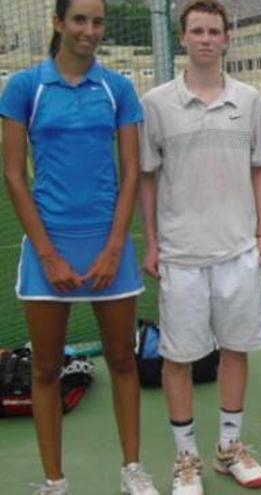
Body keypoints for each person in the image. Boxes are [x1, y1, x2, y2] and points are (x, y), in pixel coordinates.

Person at [0, 0, 159, 494]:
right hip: (48, 250)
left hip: (109, 245)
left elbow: (131, 172)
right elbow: (12, 174)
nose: (90, 30)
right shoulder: (26, 86)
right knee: (46, 369)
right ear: (58, 23)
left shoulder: (118, 88)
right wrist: (47, 254)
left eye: (97, 21)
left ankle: (132, 471)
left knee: (123, 361)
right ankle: (55, 482)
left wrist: (115, 247)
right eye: (80, 20)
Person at [139, 1, 261, 492]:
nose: (204, 38)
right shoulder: (156, 103)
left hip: (238, 252)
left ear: (226, 38)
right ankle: (186, 459)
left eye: (213, 31)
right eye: (196, 30)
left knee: (236, 349)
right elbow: (148, 180)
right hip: (181, 256)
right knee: (179, 358)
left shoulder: (251, 100)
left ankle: (229, 448)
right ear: (183, 38)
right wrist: (153, 242)